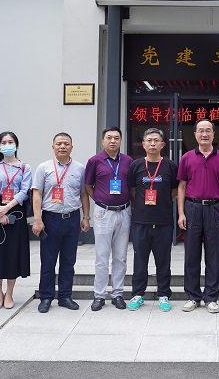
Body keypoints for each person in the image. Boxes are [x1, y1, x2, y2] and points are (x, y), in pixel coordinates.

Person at [177, 119, 219, 313]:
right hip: (192, 208)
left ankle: (211, 297)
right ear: (195, 134)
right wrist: (181, 213)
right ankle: (193, 296)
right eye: (200, 130)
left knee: (215, 255)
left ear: (213, 134)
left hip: (215, 209)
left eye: (208, 130)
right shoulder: (187, 157)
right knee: (191, 255)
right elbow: (181, 187)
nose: (204, 134)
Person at [31, 132, 90, 313]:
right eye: (59, 143)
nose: (62, 146)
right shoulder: (44, 168)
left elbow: (83, 194)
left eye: (66, 143)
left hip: (72, 219)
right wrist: (37, 219)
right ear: (53, 147)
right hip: (50, 219)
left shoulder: (80, 168)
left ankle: (65, 296)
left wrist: (86, 217)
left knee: (68, 261)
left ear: (72, 147)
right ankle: (46, 297)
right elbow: (37, 194)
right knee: (48, 261)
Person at [126, 128, 179, 312]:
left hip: (164, 221)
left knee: (163, 261)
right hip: (141, 221)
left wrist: (162, 201)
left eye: (156, 140)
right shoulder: (136, 165)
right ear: (143, 144)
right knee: (140, 260)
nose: (153, 143)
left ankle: (163, 294)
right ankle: (137, 294)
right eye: (149, 140)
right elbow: (133, 189)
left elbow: (175, 190)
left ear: (163, 144)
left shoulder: (170, 166)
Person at [0, 131, 33, 310]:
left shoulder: (24, 167)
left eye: (10, 142)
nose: (7, 145)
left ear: (16, 145)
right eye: (4, 142)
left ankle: (9, 293)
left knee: (12, 253)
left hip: (15, 212)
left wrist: (7, 208)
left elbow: (24, 191)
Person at [85, 127, 133, 311]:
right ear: (103, 141)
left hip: (124, 211)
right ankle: (99, 295)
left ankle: (118, 294)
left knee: (120, 256)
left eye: (116, 138)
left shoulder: (128, 161)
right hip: (103, 213)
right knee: (102, 257)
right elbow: (88, 186)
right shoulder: (94, 161)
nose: (113, 141)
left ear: (121, 140)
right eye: (109, 138)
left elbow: (131, 186)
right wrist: (99, 199)